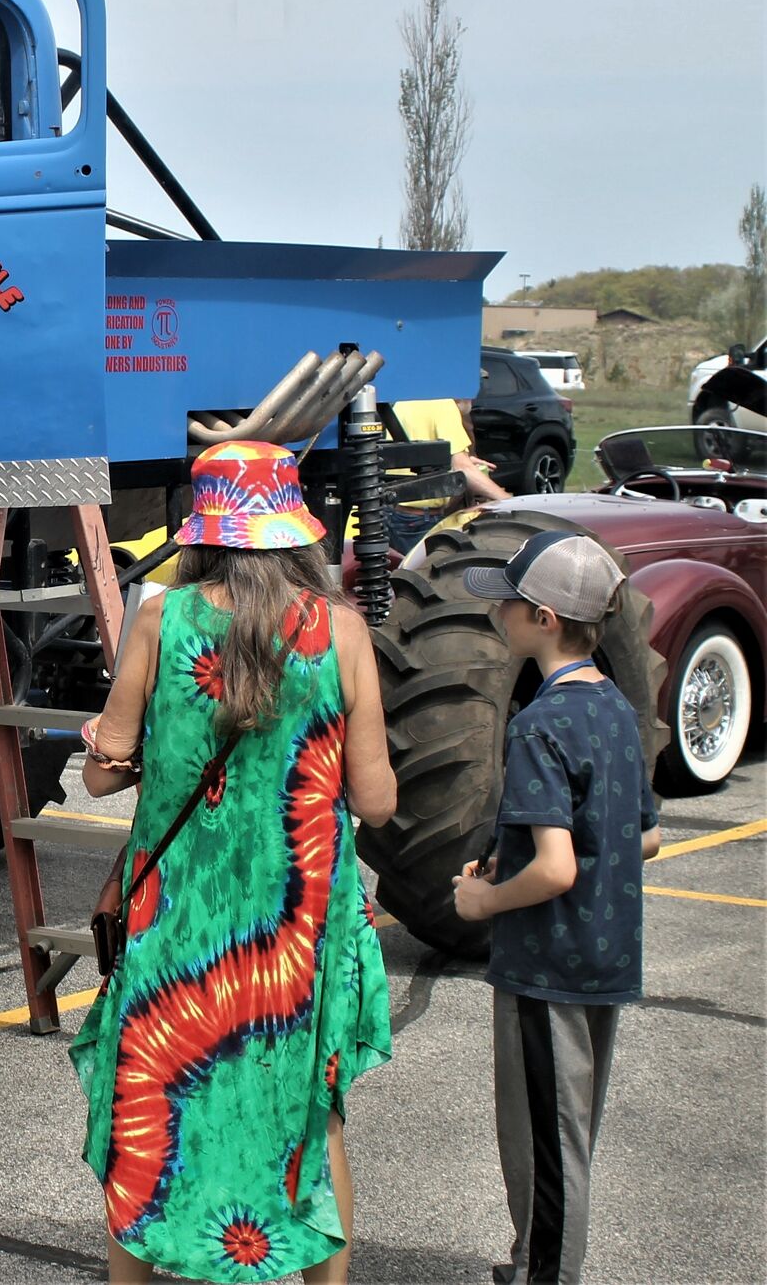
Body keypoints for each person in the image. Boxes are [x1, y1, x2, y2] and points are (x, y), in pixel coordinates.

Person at [69, 440, 398, 1284]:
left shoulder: (160, 618)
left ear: (205, 530)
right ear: (294, 531)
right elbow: (377, 802)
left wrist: (130, 753)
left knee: (152, 1106)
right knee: (310, 1117)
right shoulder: (343, 633)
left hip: (178, 926)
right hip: (298, 932)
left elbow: (102, 773)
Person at [450, 531, 661, 1285]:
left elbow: (557, 867)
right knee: (572, 1133)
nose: (496, 612)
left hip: (546, 964)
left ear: (541, 618)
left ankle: (547, 1275)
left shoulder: (539, 723)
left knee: (546, 1147)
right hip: (607, 955)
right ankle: (532, 1261)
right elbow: (647, 838)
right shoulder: (614, 711)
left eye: (506, 602)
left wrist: (485, 898)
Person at [386, 395, 511, 555]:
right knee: (427, 575)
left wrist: (459, 458)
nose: (474, 398)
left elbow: (414, 450)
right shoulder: (443, 405)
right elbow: (463, 468)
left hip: (396, 514)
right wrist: (508, 501)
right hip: (420, 522)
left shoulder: (406, 401)